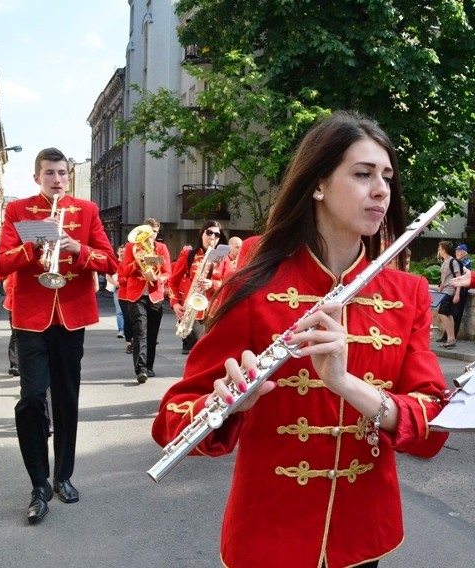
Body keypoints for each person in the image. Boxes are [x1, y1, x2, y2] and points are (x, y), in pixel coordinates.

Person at [152, 111, 449, 568]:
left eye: (387, 176)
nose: (381, 190)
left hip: (362, 529)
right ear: (318, 184)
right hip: (270, 529)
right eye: (363, 174)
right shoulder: (255, 284)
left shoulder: (406, 293)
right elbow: (173, 415)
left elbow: (432, 426)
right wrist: (227, 404)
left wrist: (348, 384)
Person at [0, 147, 117, 525]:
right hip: (31, 318)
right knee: (31, 399)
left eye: (63, 173)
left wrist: (79, 249)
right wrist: (33, 247)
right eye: (50, 173)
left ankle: (62, 475)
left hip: (71, 316)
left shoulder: (86, 211)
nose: (58, 179)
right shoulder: (18, 211)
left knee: (66, 398)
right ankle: (38, 483)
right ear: (37, 178)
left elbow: (110, 262)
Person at [119, 218, 171, 384]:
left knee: (152, 333)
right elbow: (124, 271)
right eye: (149, 231)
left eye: (155, 232)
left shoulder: (161, 248)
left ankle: (149, 366)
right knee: (140, 331)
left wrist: (157, 278)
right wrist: (136, 262)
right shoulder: (130, 247)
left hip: (155, 294)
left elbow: (168, 272)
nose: (152, 235)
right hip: (136, 295)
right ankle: (140, 369)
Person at [168, 221, 226, 354]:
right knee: (199, 349)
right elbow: (173, 282)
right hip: (193, 310)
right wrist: (175, 304)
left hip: (214, 310)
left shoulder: (222, 256)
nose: (212, 237)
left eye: (217, 234)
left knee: (212, 352)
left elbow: (228, 282)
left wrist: (212, 284)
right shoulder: (188, 255)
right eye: (209, 232)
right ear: (202, 233)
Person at [435, 240, 462, 349]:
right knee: (449, 314)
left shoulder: (453, 262)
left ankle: (450, 338)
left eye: (440, 249)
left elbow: (459, 278)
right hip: (445, 291)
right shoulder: (445, 262)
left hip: (450, 291)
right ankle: (451, 338)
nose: (439, 251)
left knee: (442, 313)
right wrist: (440, 289)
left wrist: (457, 294)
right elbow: (443, 279)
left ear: (444, 250)